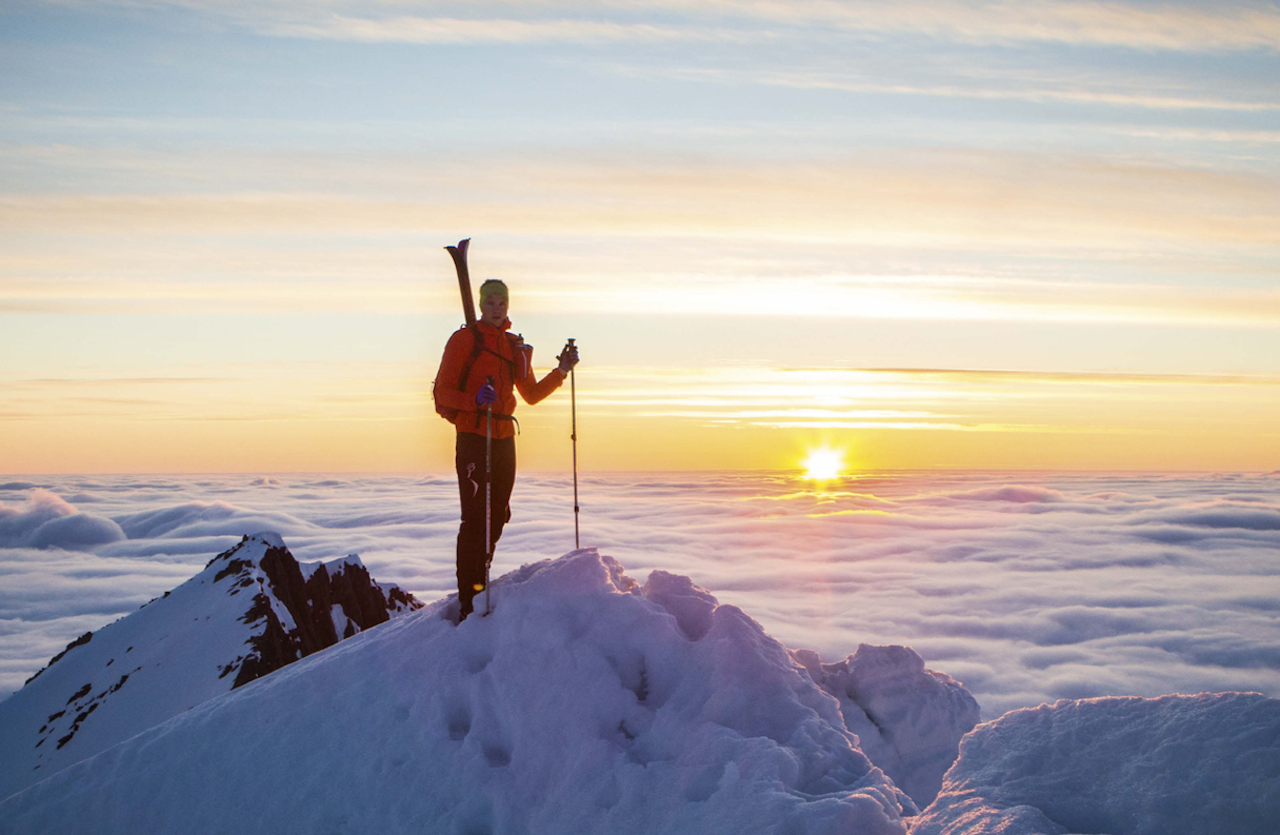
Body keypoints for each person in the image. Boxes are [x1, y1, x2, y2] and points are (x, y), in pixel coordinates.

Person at [433, 278, 579, 620]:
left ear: (508, 306)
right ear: (482, 305)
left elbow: (530, 395)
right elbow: (442, 393)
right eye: (491, 302)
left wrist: (561, 371)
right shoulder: (463, 340)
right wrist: (473, 400)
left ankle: (480, 579)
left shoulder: (514, 345)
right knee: (474, 519)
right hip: (473, 435)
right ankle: (470, 596)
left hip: (503, 436)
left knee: (497, 514)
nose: (497, 308)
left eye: (502, 303)